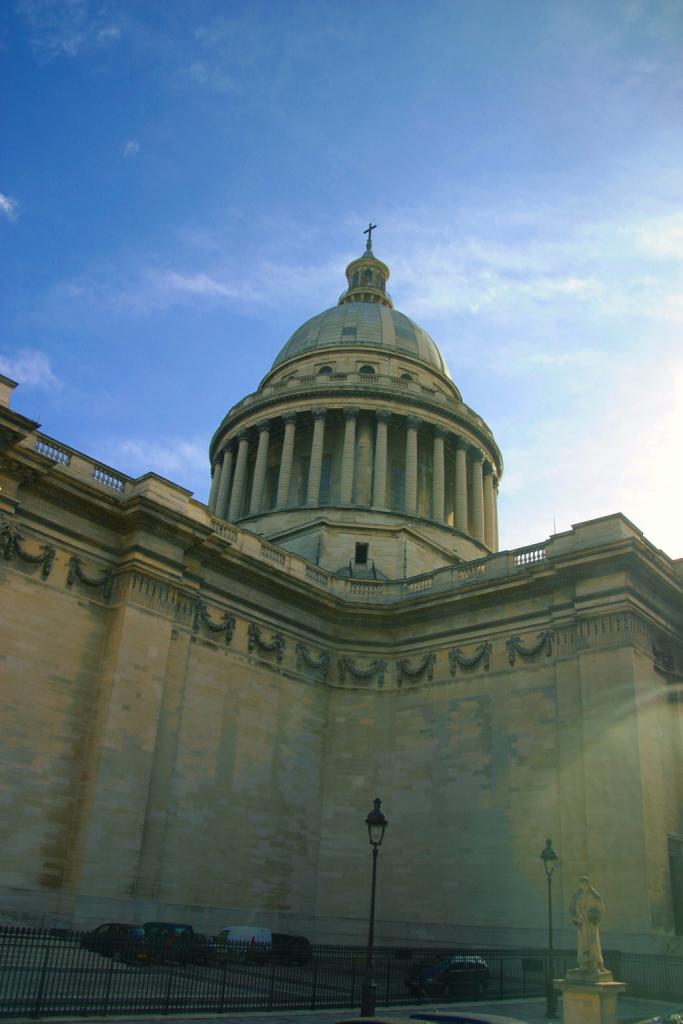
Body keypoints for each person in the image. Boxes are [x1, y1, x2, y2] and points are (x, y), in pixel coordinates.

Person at [569, 875, 604, 971]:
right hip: (582, 924)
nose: (581, 886)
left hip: (590, 924)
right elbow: (572, 909)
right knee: (582, 945)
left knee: (593, 944)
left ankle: (595, 964)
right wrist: (576, 918)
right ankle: (583, 964)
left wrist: (593, 916)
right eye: (580, 884)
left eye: (583, 884)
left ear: (588, 885)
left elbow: (600, 909)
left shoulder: (594, 896)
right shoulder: (577, 896)